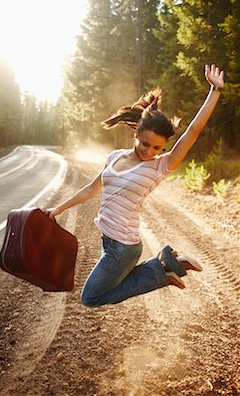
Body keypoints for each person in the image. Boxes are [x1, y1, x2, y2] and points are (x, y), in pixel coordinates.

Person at [46, 64, 224, 307]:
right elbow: (91, 188)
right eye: (146, 144)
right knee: (97, 294)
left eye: (157, 148)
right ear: (137, 134)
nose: (149, 151)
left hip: (124, 248)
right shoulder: (115, 157)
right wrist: (60, 208)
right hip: (110, 243)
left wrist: (214, 90)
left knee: (90, 298)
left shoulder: (159, 166)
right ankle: (169, 264)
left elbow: (192, 132)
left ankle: (161, 273)